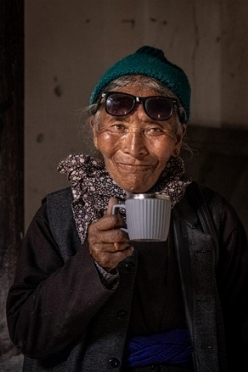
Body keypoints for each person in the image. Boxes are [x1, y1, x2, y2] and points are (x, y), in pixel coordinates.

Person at [6, 46, 248, 372]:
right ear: (95, 131)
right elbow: (27, 335)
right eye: (118, 127)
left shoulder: (214, 216)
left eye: (154, 129)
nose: (134, 149)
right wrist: (92, 266)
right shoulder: (58, 215)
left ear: (178, 139)